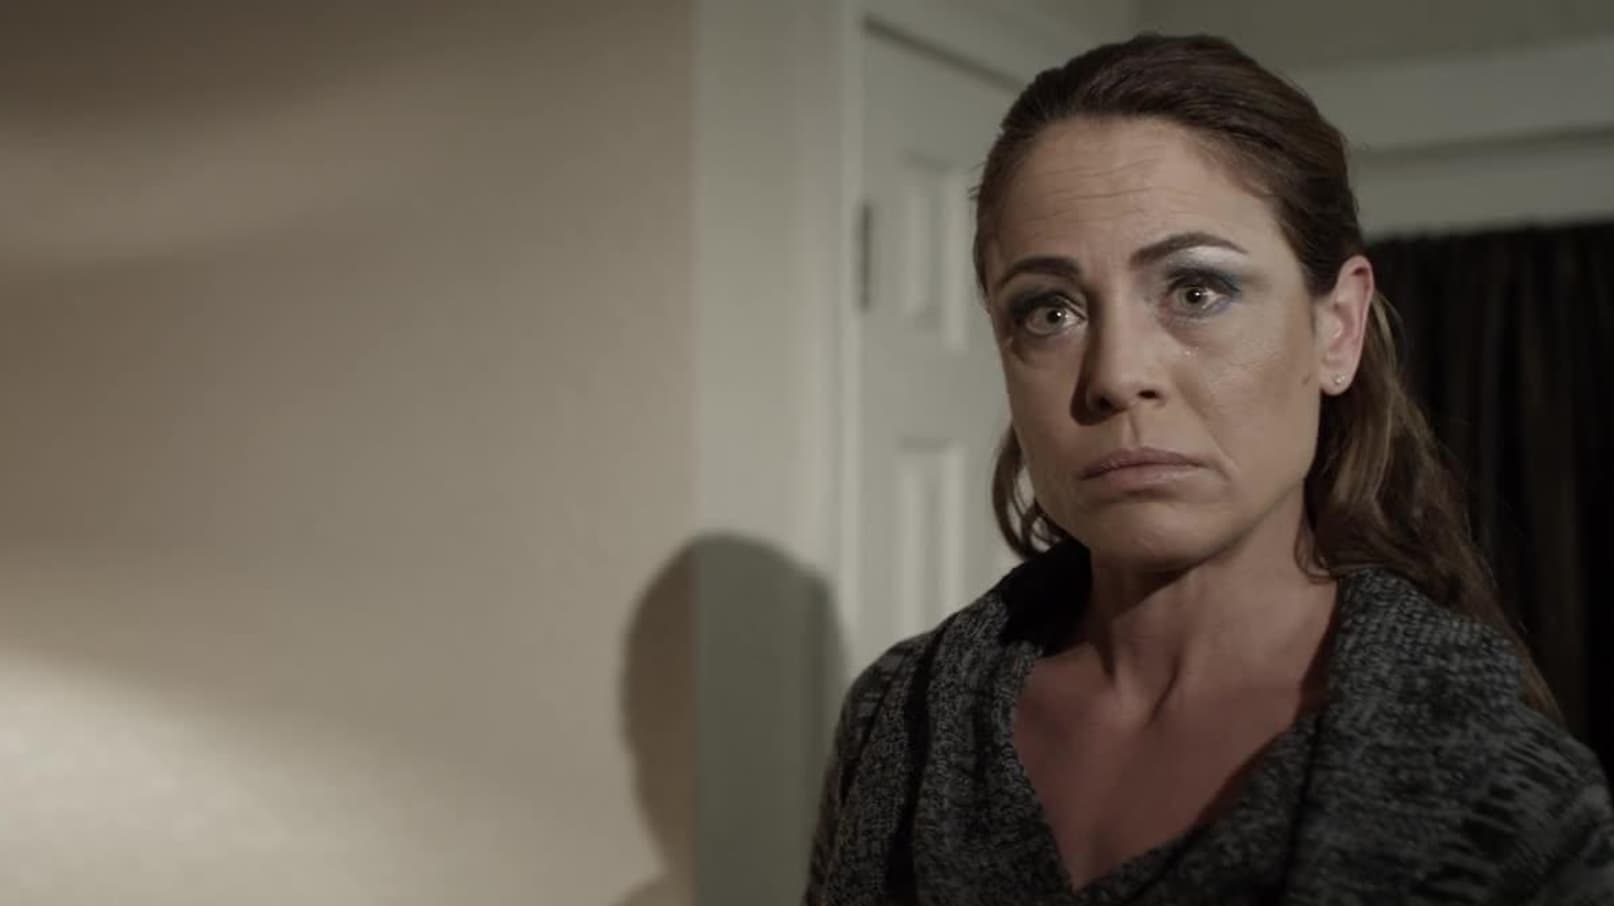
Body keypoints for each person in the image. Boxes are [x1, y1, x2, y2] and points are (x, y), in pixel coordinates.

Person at [804, 33, 1614, 905]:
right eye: (1050, 311)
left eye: (1196, 291)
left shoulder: (1515, 797)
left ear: (1338, 328)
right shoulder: (900, 718)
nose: (1117, 375)